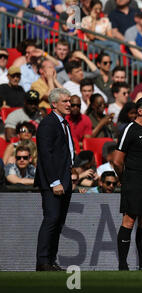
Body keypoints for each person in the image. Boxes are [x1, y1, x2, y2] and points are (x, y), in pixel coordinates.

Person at [113, 97, 142, 271]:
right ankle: (123, 265)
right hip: (133, 181)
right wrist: (125, 178)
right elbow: (117, 161)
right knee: (129, 220)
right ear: (140, 111)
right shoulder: (129, 130)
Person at [35, 88, 75, 272]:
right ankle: (43, 261)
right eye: (65, 101)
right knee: (51, 219)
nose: (69, 104)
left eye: (70, 101)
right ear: (54, 104)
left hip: (64, 180)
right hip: (54, 182)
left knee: (58, 222)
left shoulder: (63, 124)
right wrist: (54, 182)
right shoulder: (48, 124)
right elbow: (45, 155)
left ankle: (51, 260)